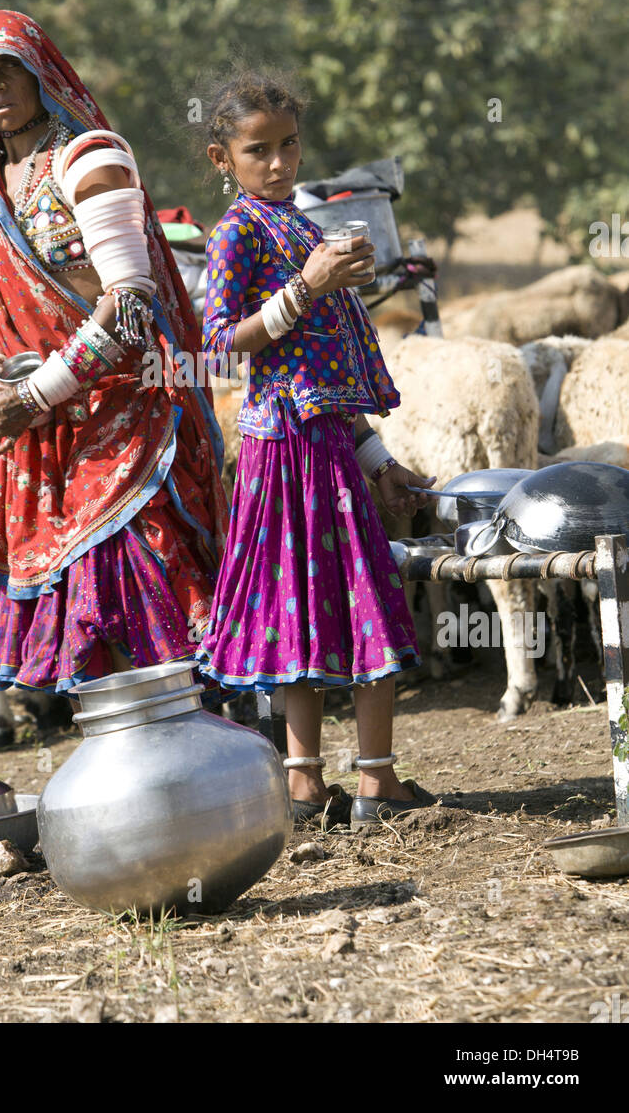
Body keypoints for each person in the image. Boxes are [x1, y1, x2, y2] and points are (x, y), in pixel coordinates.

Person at [0, 10, 228, 699]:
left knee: (138, 581)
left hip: (127, 412)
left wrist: (39, 392)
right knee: (79, 619)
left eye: (11, 69)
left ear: (44, 73)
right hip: (37, 431)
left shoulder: (89, 158)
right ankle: (128, 776)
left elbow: (129, 303)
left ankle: (221, 757)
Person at [196, 71, 438, 829]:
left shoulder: (300, 224)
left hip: (326, 442)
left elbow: (325, 372)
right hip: (284, 450)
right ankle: (363, 783)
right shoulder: (238, 233)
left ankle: (327, 782)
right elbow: (214, 349)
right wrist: (306, 288)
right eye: (257, 150)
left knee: (324, 605)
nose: (278, 163)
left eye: (289, 144)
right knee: (329, 605)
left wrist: (380, 462)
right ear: (221, 159)